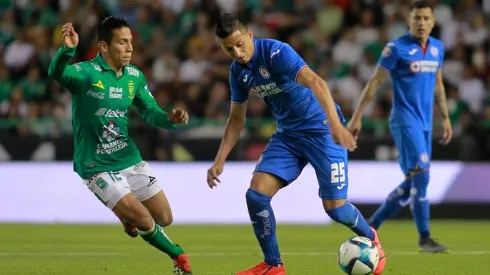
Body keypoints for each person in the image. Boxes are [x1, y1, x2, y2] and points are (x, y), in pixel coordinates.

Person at [206, 13, 386, 275]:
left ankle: (371, 236)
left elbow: (316, 82)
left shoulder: (277, 52)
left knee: (335, 209)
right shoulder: (238, 72)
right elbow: (236, 120)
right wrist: (219, 160)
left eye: (239, 44)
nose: (236, 52)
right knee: (256, 195)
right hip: (288, 136)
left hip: (322, 130)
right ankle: (273, 265)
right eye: (228, 49)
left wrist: (337, 126)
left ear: (250, 35)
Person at [48, 17, 193, 273]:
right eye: (122, 42)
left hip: (129, 159)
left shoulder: (134, 77)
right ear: (104, 46)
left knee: (164, 218)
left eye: (131, 42)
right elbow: (56, 72)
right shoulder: (84, 74)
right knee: (145, 220)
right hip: (97, 166)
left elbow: (151, 113)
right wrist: (67, 50)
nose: (129, 48)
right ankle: (178, 256)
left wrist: (170, 118)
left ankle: (127, 217)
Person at [347, 0, 451, 253]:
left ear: (433, 22)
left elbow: (438, 85)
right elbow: (374, 83)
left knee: (412, 184)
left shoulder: (437, 48)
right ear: (409, 20)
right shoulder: (396, 48)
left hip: (426, 123)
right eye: (417, 18)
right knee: (422, 176)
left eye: (426, 18)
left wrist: (445, 117)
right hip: (405, 120)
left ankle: (371, 226)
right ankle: (425, 238)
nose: (422, 23)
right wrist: (357, 117)